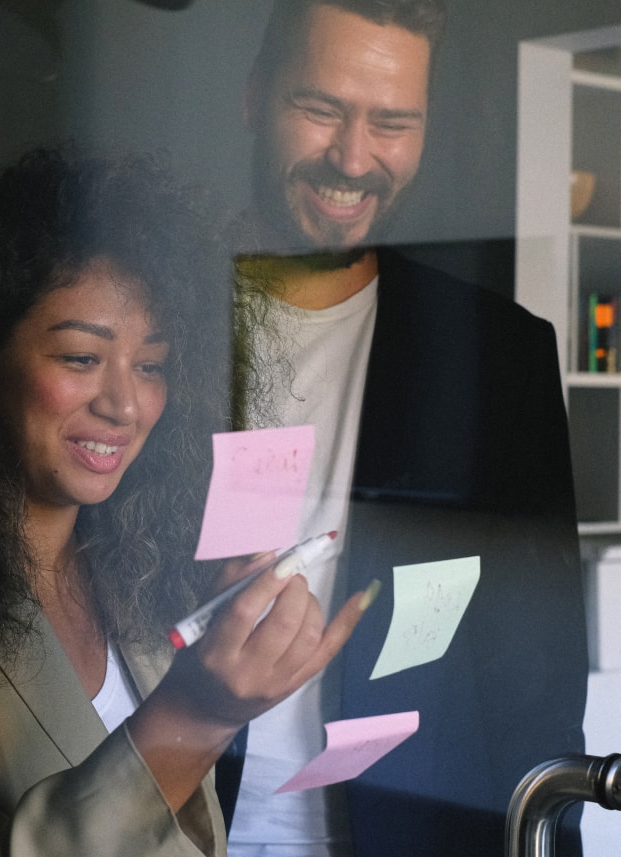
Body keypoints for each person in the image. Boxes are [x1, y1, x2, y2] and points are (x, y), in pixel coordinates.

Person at [0, 148, 375, 857]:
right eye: (81, 358)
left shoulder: (132, 567)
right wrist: (196, 715)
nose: (125, 403)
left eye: (151, 366)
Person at [220, 2, 589, 856]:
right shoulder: (139, 330)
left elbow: (534, 689)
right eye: (320, 109)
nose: (353, 158)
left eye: (391, 122)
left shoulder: (500, 361)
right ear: (253, 98)